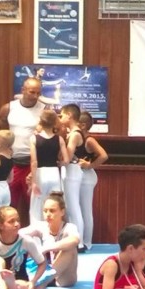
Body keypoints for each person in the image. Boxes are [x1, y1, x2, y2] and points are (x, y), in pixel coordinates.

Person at [0, 77, 46, 225]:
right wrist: (3, 145)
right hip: (13, 162)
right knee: (9, 203)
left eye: (38, 93)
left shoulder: (44, 110)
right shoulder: (9, 108)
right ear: (23, 90)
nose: (35, 96)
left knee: (35, 203)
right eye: (32, 92)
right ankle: (7, 234)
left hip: (33, 163)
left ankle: (36, 235)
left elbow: (55, 131)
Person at [20, 192, 80, 287]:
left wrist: (46, 248)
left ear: (62, 212)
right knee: (23, 242)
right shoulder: (41, 226)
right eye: (45, 211)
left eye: (52, 211)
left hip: (63, 278)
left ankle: (44, 280)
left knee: (70, 248)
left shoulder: (69, 227)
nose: (48, 214)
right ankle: (40, 280)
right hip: (44, 272)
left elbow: (75, 240)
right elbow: (19, 234)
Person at [93, 223, 145, 289]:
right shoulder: (111, 265)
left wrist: (138, 271)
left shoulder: (133, 263)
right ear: (130, 248)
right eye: (144, 249)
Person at [29, 110, 69, 223]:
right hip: (54, 173)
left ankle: (37, 231)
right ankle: (54, 229)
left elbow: (34, 162)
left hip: (41, 172)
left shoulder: (34, 139)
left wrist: (34, 181)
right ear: (55, 122)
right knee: (55, 204)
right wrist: (60, 164)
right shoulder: (59, 139)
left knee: (37, 205)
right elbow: (66, 160)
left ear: (40, 122)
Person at [77, 111, 108, 250]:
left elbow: (104, 155)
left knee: (85, 209)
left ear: (83, 125)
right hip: (81, 175)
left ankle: (87, 242)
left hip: (87, 176)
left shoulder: (89, 140)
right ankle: (81, 240)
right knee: (80, 208)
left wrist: (90, 165)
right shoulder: (78, 138)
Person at [59, 103, 85, 246]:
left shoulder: (74, 134)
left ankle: (78, 241)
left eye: (62, 115)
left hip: (73, 171)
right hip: (71, 171)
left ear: (69, 115)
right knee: (70, 206)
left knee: (74, 206)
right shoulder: (72, 133)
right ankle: (75, 239)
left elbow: (67, 158)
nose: (60, 118)